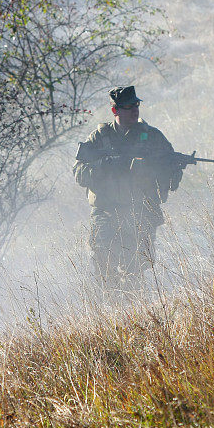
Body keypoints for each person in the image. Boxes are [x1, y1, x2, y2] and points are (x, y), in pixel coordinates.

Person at [73, 86, 183, 291]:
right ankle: (110, 310)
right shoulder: (99, 138)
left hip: (140, 211)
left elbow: (171, 176)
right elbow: (79, 172)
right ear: (115, 111)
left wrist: (162, 172)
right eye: (128, 106)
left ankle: (134, 312)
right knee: (103, 265)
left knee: (137, 268)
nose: (135, 110)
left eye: (137, 105)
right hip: (106, 212)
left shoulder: (152, 137)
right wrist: (106, 167)